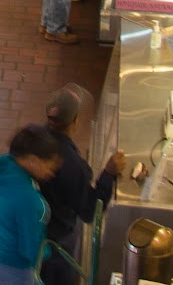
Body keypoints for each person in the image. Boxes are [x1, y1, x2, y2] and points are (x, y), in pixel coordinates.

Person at [38, 87, 123, 285]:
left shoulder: (33, 137)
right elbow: (90, 211)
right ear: (75, 121)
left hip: (35, 231)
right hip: (56, 241)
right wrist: (108, 175)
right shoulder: (71, 165)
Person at [0, 125, 64, 285]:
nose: (51, 172)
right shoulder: (28, 199)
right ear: (33, 160)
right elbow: (30, 248)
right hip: (12, 263)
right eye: (49, 166)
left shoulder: (1, 166)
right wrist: (45, 252)